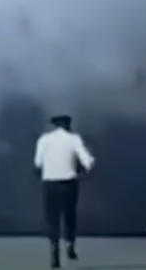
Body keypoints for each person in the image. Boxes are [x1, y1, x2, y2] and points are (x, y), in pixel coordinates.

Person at [34, 114, 95, 269]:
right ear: (68, 125)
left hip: (50, 182)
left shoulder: (44, 139)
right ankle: (70, 244)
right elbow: (87, 161)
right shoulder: (74, 139)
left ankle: (54, 248)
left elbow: (38, 162)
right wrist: (86, 167)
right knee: (69, 215)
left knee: (52, 217)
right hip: (68, 182)